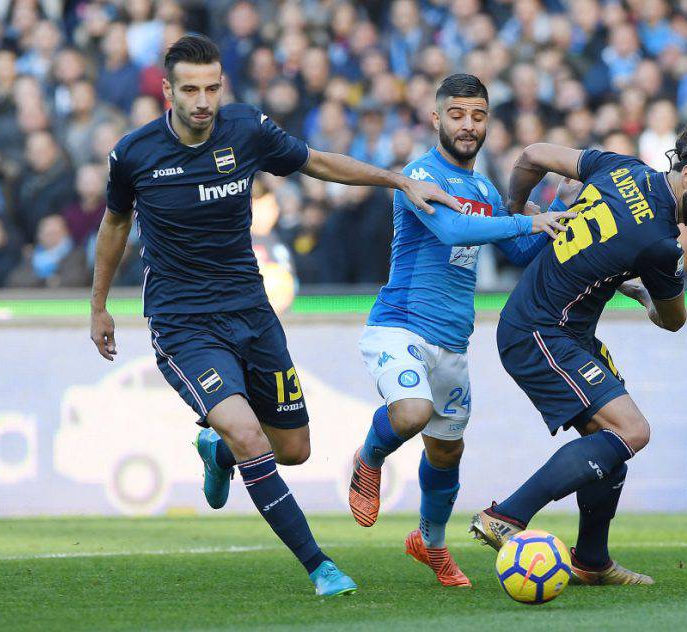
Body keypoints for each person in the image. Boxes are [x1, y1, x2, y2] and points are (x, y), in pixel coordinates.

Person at [89, 34, 461, 598]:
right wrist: (99, 306)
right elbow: (114, 226)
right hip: (184, 324)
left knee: (294, 450)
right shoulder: (134, 155)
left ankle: (217, 448)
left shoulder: (247, 130)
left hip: (253, 314)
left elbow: (316, 163)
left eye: (212, 87)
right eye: (189, 89)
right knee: (247, 433)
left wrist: (400, 179)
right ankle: (320, 567)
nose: (202, 101)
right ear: (167, 91)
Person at [469, 121, 687, 585]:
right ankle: (508, 516)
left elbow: (533, 154)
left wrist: (516, 212)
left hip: (562, 332)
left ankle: (592, 561)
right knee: (632, 431)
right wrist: (642, 296)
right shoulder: (661, 244)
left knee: (612, 439)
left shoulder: (620, 168)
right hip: (541, 331)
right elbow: (673, 320)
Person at [347, 74, 573, 587]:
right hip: (398, 326)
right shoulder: (419, 174)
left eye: (477, 116)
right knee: (412, 412)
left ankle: (430, 545)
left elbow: (516, 251)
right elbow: (452, 229)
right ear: (436, 119)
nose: (468, 125)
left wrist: (560, 213)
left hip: (452, 343)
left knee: (446, 451)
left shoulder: (483, 187)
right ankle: (369, 456)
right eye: (457, 114)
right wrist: (528, 222)